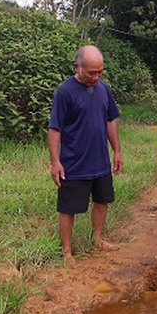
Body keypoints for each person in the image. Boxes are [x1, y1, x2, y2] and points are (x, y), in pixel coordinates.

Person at [48, 45, 123, 266]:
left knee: (102, 200)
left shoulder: (103, 89)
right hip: (74, 163)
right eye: (91, 72)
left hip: (100, 160)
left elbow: (111, 120)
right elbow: (55, 129)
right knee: (69, 207)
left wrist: (117, 151)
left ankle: (97, 238)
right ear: (77, 67)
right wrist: (55, 162)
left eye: (100, 72)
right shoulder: (65, 92)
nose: (96, 77)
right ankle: (66, 251)